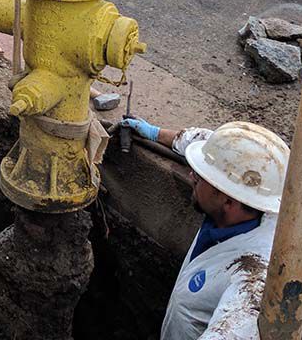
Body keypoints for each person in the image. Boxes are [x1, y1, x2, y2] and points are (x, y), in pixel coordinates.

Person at [119, 118, 290, 339]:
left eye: (201, 178)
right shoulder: (248, 198)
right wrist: (154, 133)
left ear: (228, 201)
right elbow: (205, 141)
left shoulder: (251, 278)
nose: (192, 176)